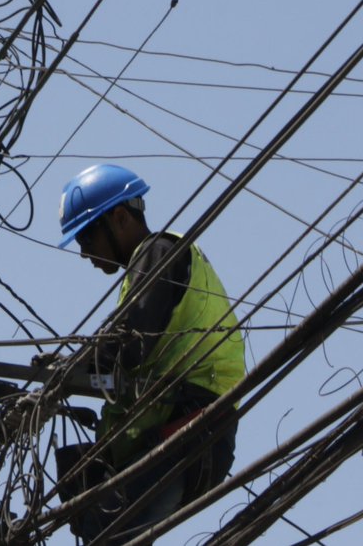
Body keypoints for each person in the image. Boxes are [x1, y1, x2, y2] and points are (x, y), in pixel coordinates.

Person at [53, 164, 244, 545]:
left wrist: (67, 370)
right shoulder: (148, 264)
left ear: (120, 217)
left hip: (189, 426)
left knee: (107, 535)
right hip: (190, 434)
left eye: (87, 239)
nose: (84, 254)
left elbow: (127, 342)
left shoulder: (159, 251)